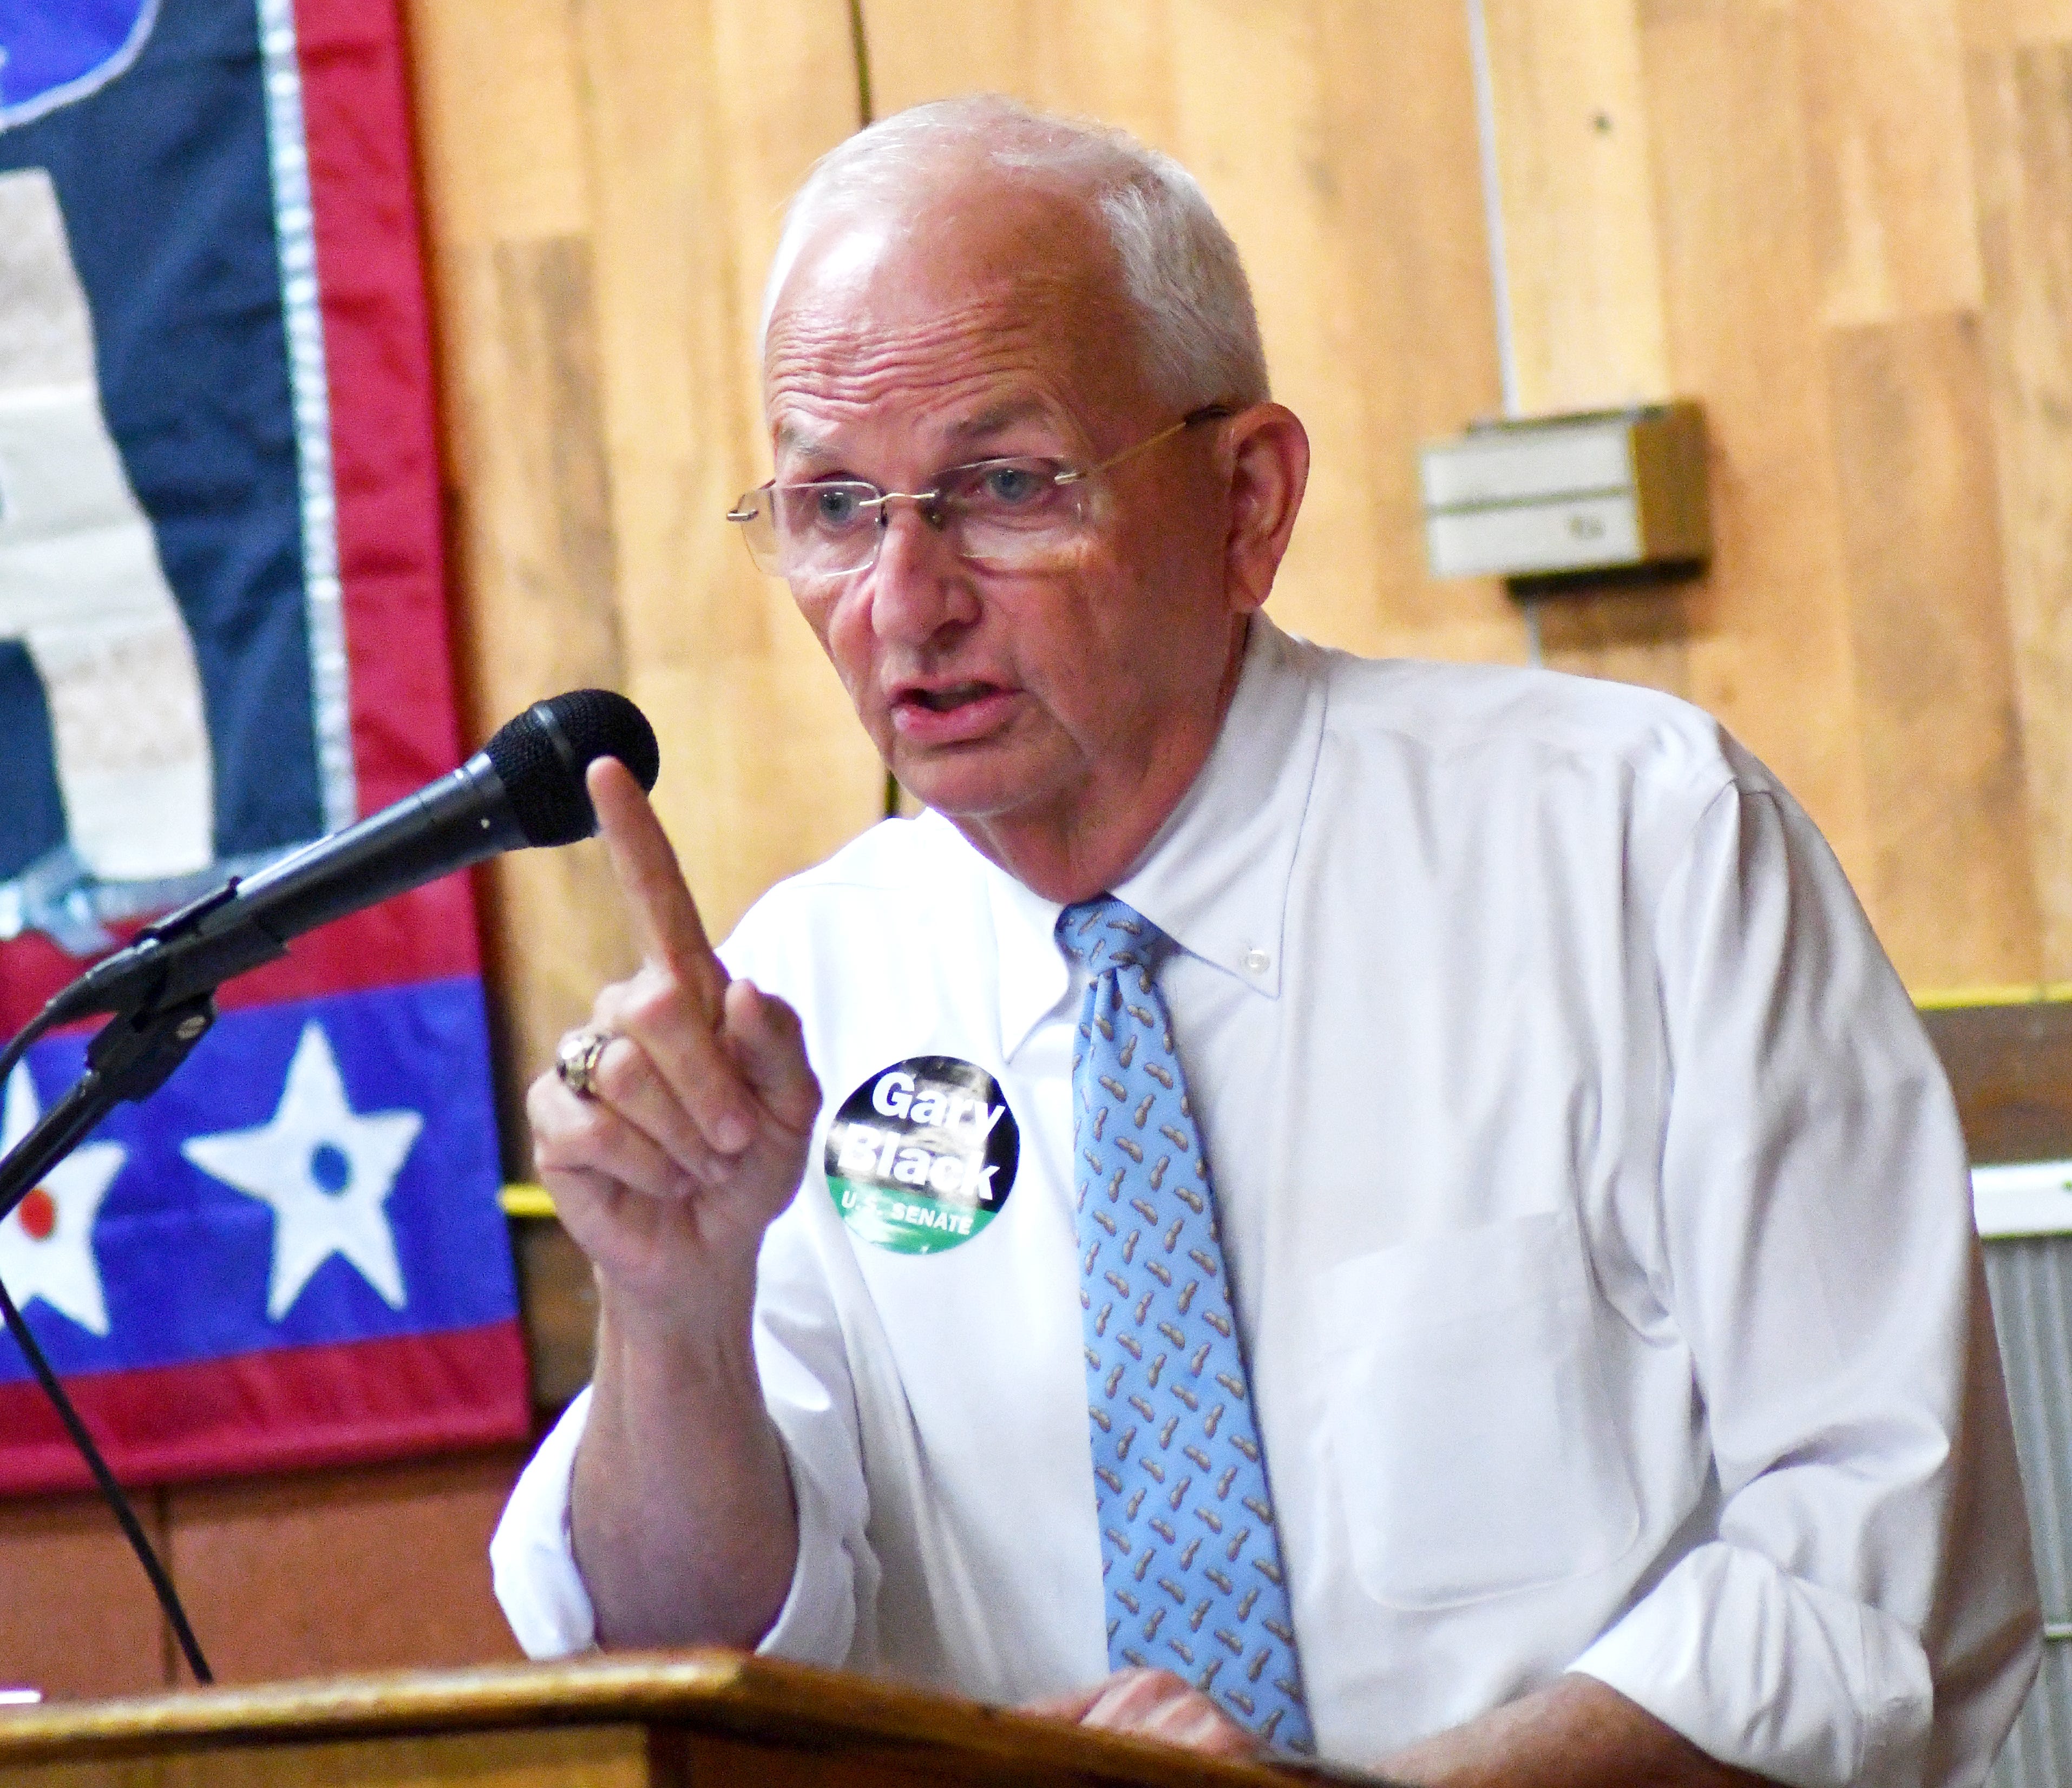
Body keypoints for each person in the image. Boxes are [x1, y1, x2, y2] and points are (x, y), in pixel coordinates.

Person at [490, 95, 2041, 1785]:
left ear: (1247, 501)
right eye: (833, 507)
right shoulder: (801, 997)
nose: (903, 601)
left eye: (1002, 489)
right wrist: (668, 1308)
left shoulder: (1634, 847)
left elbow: (1875, 1577)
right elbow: (689, 1657)